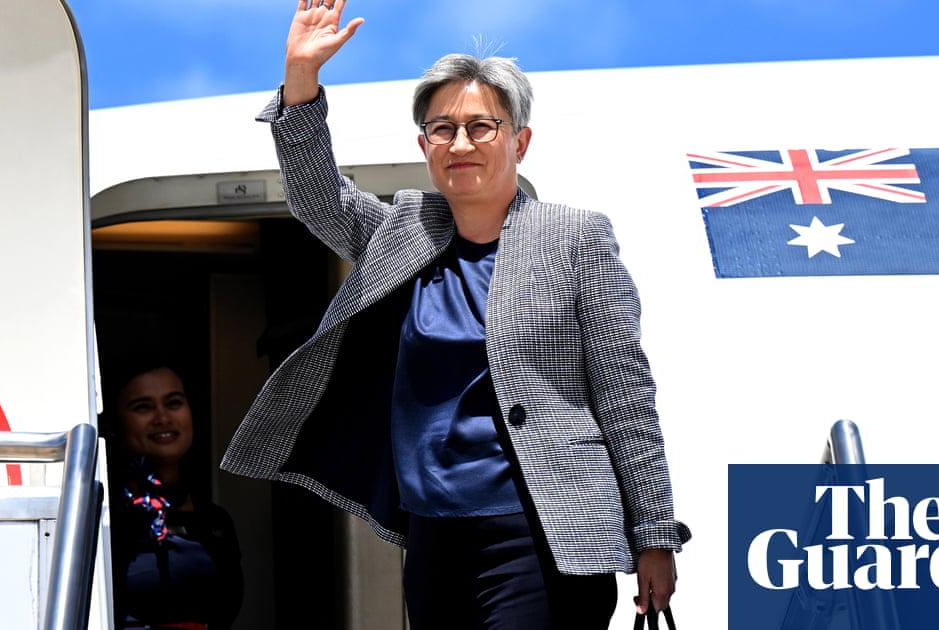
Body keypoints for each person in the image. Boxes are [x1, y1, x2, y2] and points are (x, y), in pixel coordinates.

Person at [221, 1, 691, 627]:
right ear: (424, 146)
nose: (460, 143)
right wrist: (301, 80)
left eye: (481, 127)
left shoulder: (575, 238)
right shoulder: (404, 229)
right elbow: (318, 200)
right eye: (442, 129)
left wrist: (654, 534)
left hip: (542, 533)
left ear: (520, 142)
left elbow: (625, 393)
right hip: (432, 537)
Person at [104, 361, 244, 630]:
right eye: (143, 407)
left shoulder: (216, 521)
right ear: (114, 422)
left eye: (174, 403)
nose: (163, 418)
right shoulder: (104, 517)